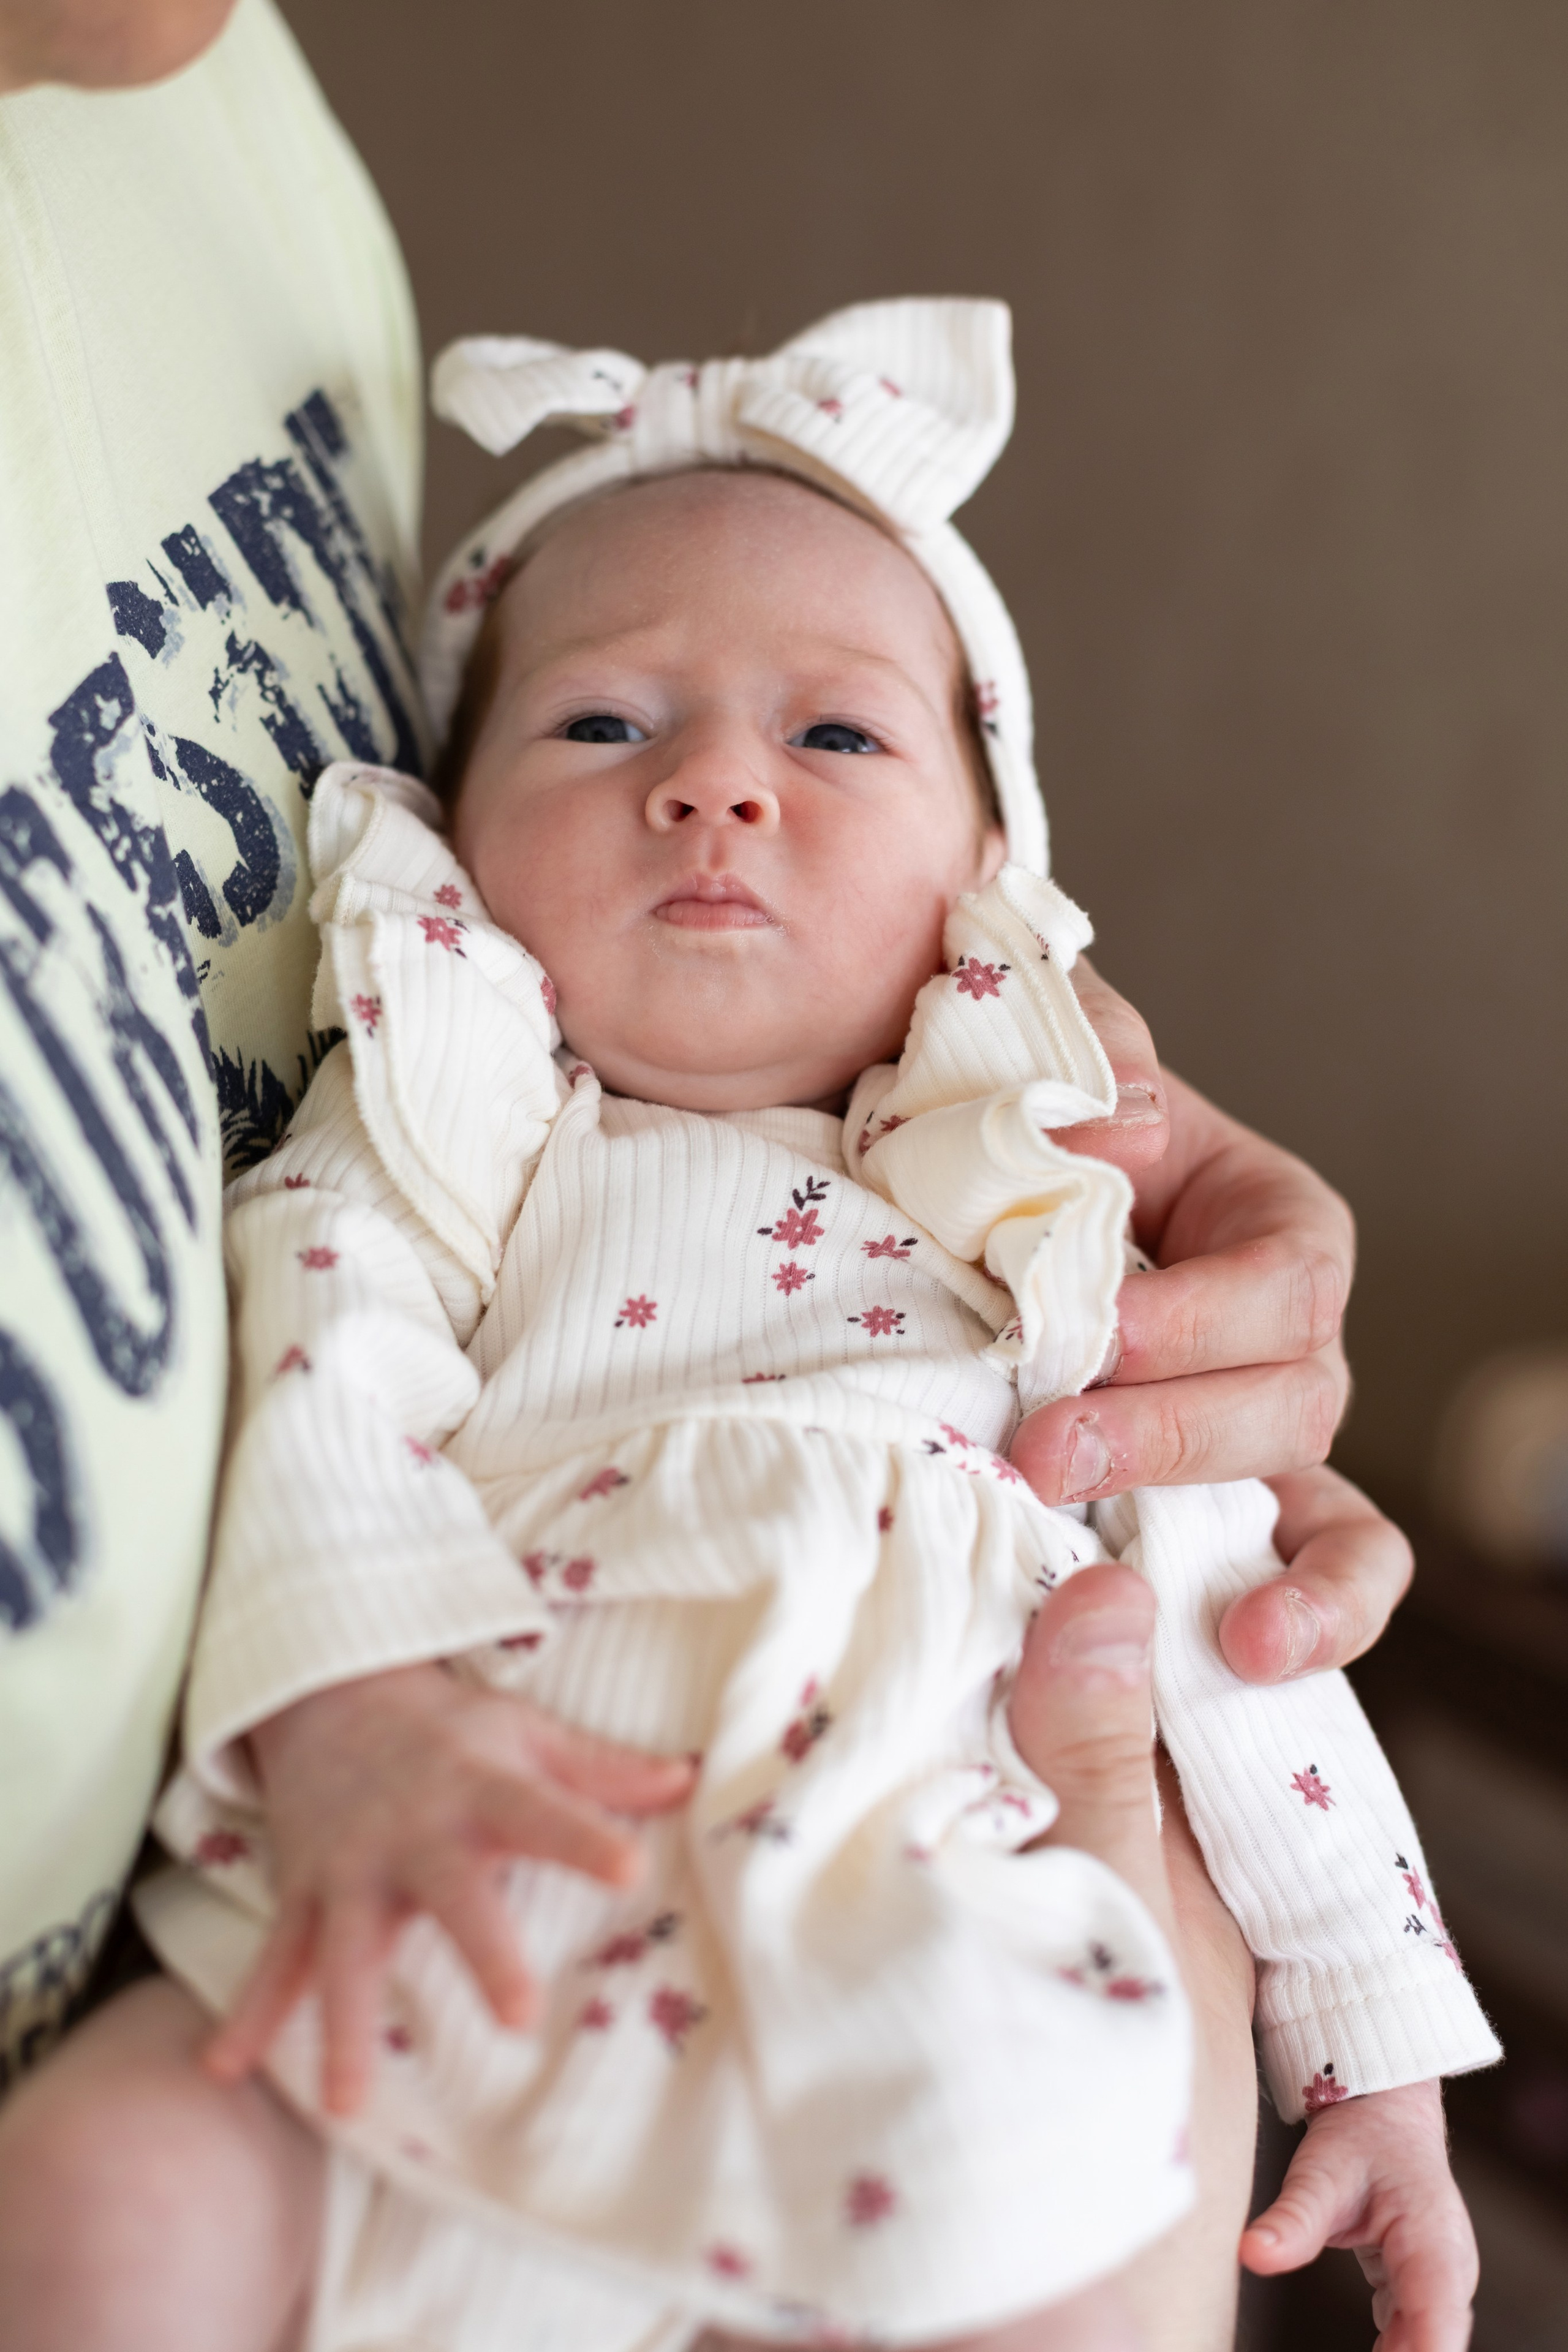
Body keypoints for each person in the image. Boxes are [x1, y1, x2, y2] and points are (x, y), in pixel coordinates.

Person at [0, 3, 1428, 2342]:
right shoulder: (457, 1111)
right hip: (450, 1844)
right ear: (450, 832)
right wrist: (352, 1723)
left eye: (836, 732)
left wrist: (1369, 2036)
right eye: (602, 721)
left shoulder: (1038, 1199)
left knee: (1061, 2227)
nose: (716, 786)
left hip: (922, 1917)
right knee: (106, 2196)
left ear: (998, 873)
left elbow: (1225, 1609)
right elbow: (325, 1360)